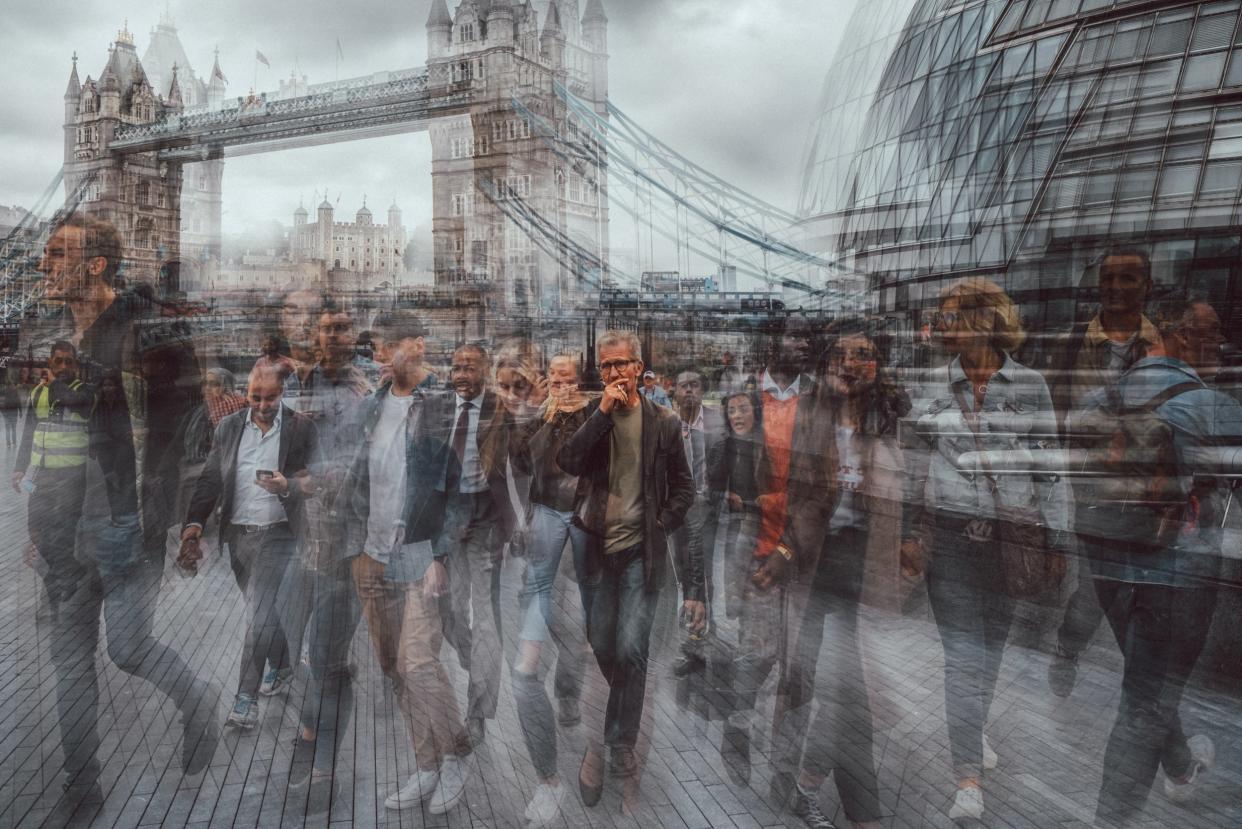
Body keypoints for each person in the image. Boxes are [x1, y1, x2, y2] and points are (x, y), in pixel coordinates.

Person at [20, 213, 217, 794]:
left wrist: (180, 523)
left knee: (129, 648)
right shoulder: (52, 339)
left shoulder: (151, 337)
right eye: (45, 253)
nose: (43, 265)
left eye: (58, 254)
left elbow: (189, 439)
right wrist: (42, 519)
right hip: (63, 530)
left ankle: (198, 699)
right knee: (70, 657)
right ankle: (80, 783)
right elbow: (51, 438)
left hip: (126, 524)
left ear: (96, 265)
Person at [901, 278, 1071, 821]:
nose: (944, 326)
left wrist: (1057, 537)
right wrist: (908, 531)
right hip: (949, 539)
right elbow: (913, 467)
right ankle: (967, 778)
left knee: (991, 653)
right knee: (962, 658)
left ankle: (972, 729)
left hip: (1008, 539)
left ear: (986, 320)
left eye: (953, 316)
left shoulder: (1030, 386)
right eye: (944, 317)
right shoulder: (931, 384)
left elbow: (1050, 468)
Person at [1069, 297, 1241, 826]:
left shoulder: (1101, 397)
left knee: (1144, 684)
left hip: (1108, 559)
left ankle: (1183, 767)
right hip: (1178, 573)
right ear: (1180, 337)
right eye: (1211, 336)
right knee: (1144, 703)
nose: (1220, 347)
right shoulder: (1215, 405)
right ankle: (1111, 820)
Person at [556, 329, 699, 803]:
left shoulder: (664, 421)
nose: (615, 373)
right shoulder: (591, 416)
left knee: (634, 648)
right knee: (603, 642)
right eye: (606, 367)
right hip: (596, 546)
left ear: (639, 367)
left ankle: (619, 743)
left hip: (642, 550)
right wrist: (599, 414)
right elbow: (569, 461)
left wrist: (663, 520)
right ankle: (622, 712)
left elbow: (684, 487)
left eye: (622, 364)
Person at [777, 319, 908, 829]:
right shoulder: (809, 413)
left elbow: (912, 493)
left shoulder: (892, 414)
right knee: (847, 692)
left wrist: (914, 550)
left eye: (863, 356)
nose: (852, 365)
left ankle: (808, 783)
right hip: (816, 562)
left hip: (867, 562)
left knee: (850, 693)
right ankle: (860, 813)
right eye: (842, 355)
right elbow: (789, 489)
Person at [340, 327, 474, 815]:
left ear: (417, 344)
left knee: (419, 660)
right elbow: (358, 473)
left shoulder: (440, 403)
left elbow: (457, 490)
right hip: (370, 552)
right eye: (376, 347)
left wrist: (440, 555)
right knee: (395, 667)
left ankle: (457, 754)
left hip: (417, 550)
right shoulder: (373, 404)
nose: (381, 355)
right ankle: (428, 763)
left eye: (390, 345)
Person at [720, 319, 839, 797]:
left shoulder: (819, 400)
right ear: (772, 343)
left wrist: (789, 548)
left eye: (808, 337)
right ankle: (737, 721)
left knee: (799, 671)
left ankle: (784, 772)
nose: (804, 343)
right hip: (755, 551)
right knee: (758, 654)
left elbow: (824, 488)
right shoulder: (742, 396)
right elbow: (720, 473)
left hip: (802, 555)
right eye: (795, 335)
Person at [1044, 247, 1160, 697]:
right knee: (1100, 587)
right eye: (1108, 278)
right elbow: (1052, 418)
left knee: (1124, 588)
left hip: (1149, 492)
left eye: (1129, 279)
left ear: (1147, 287)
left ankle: (1072, 648)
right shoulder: (1071, 343)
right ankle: (1080, 651)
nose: (1115, 287)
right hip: (1090, 491)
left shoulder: (1162, 343)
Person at [180, 366, 318, 729]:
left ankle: (245, 699)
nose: (261, 405)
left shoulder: (301, 427)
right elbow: (211, 477)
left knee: (257, 613)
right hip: (238, 535)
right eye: (255, 397)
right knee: (263, 612)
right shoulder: (229, 427)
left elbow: (320, 475)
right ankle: (285, 664)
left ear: (282, 392)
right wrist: (193, 525)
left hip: (278, 534)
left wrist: (289, 484)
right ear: (247, 391)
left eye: (270, 398)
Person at [507, 353, 593, 826]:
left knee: (579, 617)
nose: (560, 385)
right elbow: (521, 459)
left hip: (582, 516)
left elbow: (586, 459)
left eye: (567, 379)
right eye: (554, 378)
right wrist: (536, 413)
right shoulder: (544, 412)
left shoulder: (592, 413)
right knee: (541, 591)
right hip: (546, 512)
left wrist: (572, 414)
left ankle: (570, 690)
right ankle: (538, 647)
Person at [428, 342, 516, 746]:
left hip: (484, 522)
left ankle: (478, 711)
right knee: (447, 611)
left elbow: (521, 468)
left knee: (485, 619)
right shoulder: (438, 409)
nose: (462, 375)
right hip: (446, 520)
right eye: (456, 366)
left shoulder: (502, 410)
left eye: (470, 368)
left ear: (485, 371)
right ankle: (477, 661)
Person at [668, 367, 724, 678]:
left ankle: (698, 639)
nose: (690, 391)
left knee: (701, 575)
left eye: (695, 385)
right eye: (684, 385)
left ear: (702, 390)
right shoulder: (667, 425)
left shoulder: (717, 422)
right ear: (674, 390)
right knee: (684, 573)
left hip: (707, 509)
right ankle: (693, 635)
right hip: (677, 510)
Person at [2, 375, 22, 447]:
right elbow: (18, 401)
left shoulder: (3, 392)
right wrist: (20, 412)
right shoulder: (15, 391)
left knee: (7, 429)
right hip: (14, 413)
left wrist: (3, 413)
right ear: (11, 385)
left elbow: (1, 403)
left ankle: (8, 444)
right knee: (13, 429)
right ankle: (14, 443)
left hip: (7, 414)